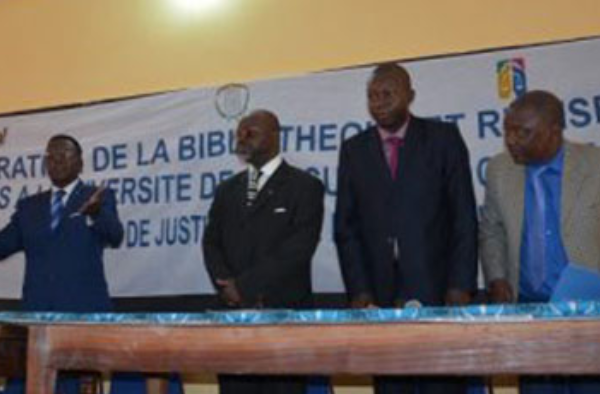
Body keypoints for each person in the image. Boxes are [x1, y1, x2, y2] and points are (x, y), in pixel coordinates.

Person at [479, 90, 600, 394]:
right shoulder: (501, 170)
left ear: (554, 132)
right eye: (508, 131)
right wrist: (497, 276)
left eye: (523, 132)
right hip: (531, 318)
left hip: (594, 317)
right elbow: (491, 229)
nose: (512, 140)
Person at [334, 62, 478, 394]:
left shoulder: (443, 138)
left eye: (388, 93)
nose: (379, 102)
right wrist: (359, 291)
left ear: (410, 95)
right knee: (390, 385)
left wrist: (461, 285)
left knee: (441, 385)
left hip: (439, 290)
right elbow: (346, 226)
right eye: (372, 96)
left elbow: (463, 216)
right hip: (379, 298)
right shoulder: (354, 149)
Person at [0, 134, 124, 392]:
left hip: (82, 318)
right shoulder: (30, 206)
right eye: (51, 156)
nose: (57, 161)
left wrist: (95, 214)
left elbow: (115, 236)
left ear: (80, 163)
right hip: (35, 320)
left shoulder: (97, 198)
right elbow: (0, 247)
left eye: (65, 155)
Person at [202, 109, 325, 394]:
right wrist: (225, 284)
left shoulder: (305, 187)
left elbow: (299, 248)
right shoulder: (226, 190)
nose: (242, 138)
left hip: (283, 320)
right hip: (233, 321)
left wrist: (243, 287)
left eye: (251, 132)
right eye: (239, 133)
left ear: (275, 136)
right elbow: (211, 242)